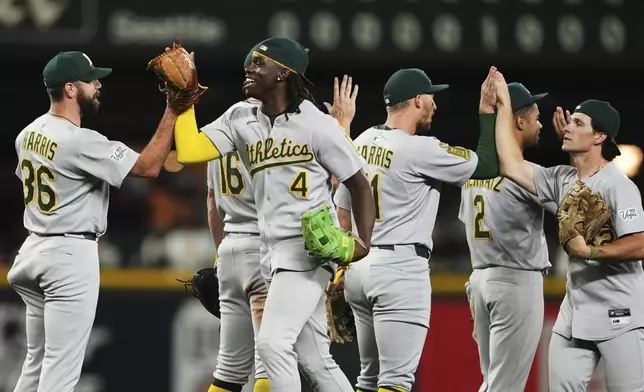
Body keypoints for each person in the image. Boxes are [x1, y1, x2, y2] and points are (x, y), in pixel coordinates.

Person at [173, 37, 375, 392]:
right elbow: (189, 151)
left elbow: (358, 183)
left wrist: (363, 242)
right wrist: (185, 97)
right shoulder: (240, 118)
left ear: (283, 74)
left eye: (258, 64)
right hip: (269, 252)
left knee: (271, 344)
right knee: (314, 359)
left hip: (309, 250)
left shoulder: (316, 123)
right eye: (249, 63)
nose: (248, 70)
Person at [8, 51, 182, 392]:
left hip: (32, 251)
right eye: (91, 80)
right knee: (60, 373)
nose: (98, 85)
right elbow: (148, 167)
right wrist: (173, 111)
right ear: (71, 89)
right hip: (69, 255)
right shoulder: (81, 141)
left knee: (36, 364)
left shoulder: (26, 134)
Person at [332, 66, 500, 392]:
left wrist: (342, 269)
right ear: (418, 100)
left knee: (368, 379)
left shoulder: (362, 139)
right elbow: (488, 166)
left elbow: (342, 213)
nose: (435, 104)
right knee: (396, 382)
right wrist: (486, 114)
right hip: (400, 269)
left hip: (359, 267)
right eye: (431, 97)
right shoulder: (420, 148)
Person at [493, 70, 644, 391]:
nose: (566, 126)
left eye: (578, 123)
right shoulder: (561, 179)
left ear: (600, 137)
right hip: (575, 313)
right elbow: (509, 164)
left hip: (621, 314)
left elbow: (640, 244)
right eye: (570, 121)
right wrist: (504, 107)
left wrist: (590, 252)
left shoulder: (618, 185)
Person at [460, 82, 556, 392]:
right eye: (536, 117)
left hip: (480, 281)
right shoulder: (524, 173)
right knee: (505, 387)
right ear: (518, 120)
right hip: (516, 282)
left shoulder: (473, 170)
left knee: (493, 383)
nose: (540, 124)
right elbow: (575, 212)